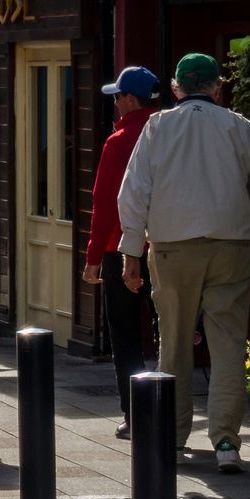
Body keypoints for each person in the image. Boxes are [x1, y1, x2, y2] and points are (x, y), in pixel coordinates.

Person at [117, 52, 250, 474]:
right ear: (216, 87)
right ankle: (227, 441)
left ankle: (173, 438)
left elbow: (134, 192)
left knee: (173, 342)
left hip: (173, 247)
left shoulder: (157, 127)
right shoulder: (239, 127)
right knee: (228, 343)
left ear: (176, 88)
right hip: (231, 244)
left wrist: (131, 251)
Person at [83, 67, 159, 440]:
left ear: (129, 99)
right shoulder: (168, 134)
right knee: (168, 332)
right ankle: (167, 411)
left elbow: (104, 203)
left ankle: (135, 413)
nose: (114, 104)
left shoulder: (119, 141)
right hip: (165, 246)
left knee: (126, 335)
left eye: (117, 97)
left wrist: (93, 256)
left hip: (120, 249)